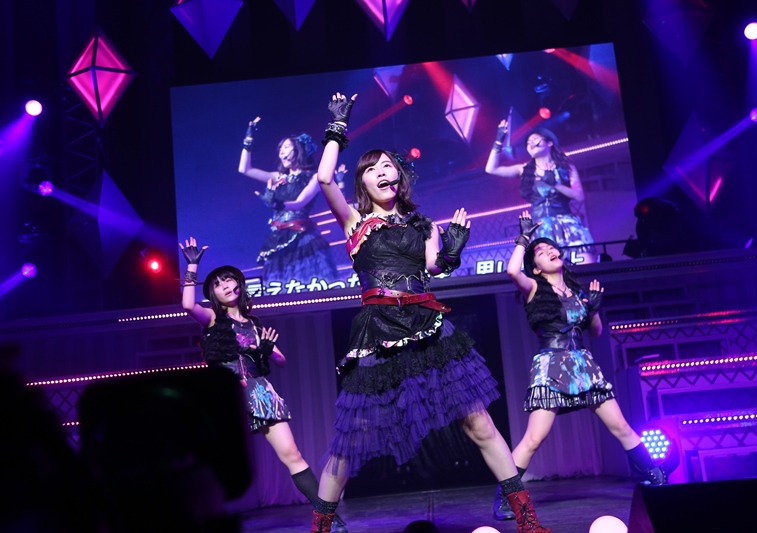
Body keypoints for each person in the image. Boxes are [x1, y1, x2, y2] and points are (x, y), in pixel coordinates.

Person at [307, 92, 551, 533]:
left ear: (399, 177)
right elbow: (325, 178)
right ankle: (320, 528)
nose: (383, 172)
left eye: (388, 166)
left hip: (428, 326)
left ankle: (526, 519)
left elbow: (435, 266)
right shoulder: (355, 223)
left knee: (479, 423)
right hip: (378, 331)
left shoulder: (423, 226)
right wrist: (337, 127)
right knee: (350, 439)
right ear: (363, 184)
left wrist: (453, 249)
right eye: (373, 169)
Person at [491, 211, 666, 521]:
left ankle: (655, 474)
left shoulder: (578, 293)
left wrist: (594, 309)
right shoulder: (533, 288)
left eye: (552, 247)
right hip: (552, 367)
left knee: (620, 426)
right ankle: (507, 497)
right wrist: (524, 239)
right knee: (534, 438)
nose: (550, 251)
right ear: (536, 267)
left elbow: (595, 332)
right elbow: (511, 270)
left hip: (583, 366)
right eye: (542, 251)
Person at [179, 238, 347, 532]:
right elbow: (187, 304)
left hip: (259, 392)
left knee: (293, 456)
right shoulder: (212, 318)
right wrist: (192, 266)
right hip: (227, 395)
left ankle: (328, 521)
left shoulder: (255, 324)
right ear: (214, 294)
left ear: (239, 284)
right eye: (217, 284)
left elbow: (281, 360)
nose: (225, 285)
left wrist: (266, 350)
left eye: (228, 279)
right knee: (217, 463)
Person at [238, 119, 340, 289]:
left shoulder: (314, 177)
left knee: (306, 281)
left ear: (298, 150)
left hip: (302, 237)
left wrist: (276, 204)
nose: (281, 152)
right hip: (277, 237)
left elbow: (299, 203)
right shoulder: (278, 177)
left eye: (286, 147)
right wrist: (248, 138)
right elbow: (245, 169)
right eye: (280, 149)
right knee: (280, 285)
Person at [485, 120, 597, 264]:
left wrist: (555, 184)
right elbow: (491, 169)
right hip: (541, 227)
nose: (531, 143)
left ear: (549, 143)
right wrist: (498, 141)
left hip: (566, 223)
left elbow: (579, 196)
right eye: (528, 142)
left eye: (535, 139)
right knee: (548, 270)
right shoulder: (524, 169)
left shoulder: (566, 166)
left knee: (586, 263)